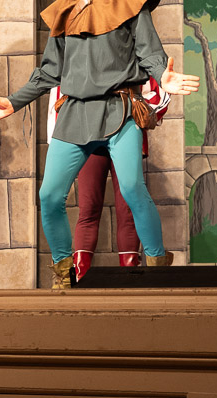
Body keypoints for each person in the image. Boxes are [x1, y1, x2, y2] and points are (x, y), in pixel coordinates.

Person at [0, 0, 199, 288]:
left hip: (118, 110)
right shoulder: (64, 8)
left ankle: (159, 265)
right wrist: (13, 103)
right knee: (49, 196)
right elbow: (49, 71)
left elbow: (151, 53)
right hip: (75, 114)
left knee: (132, 189)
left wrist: (163, 76)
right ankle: (64, 273)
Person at [62, 76, 170, 280]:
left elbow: (158, 93)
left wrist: (136, 109)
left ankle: (130, 277)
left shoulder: (136, 58)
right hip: (89, 134)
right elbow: (63, 95)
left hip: (125, 131)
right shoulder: (78, 57)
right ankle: (79, 278)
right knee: (88, 208)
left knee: (128, 209)